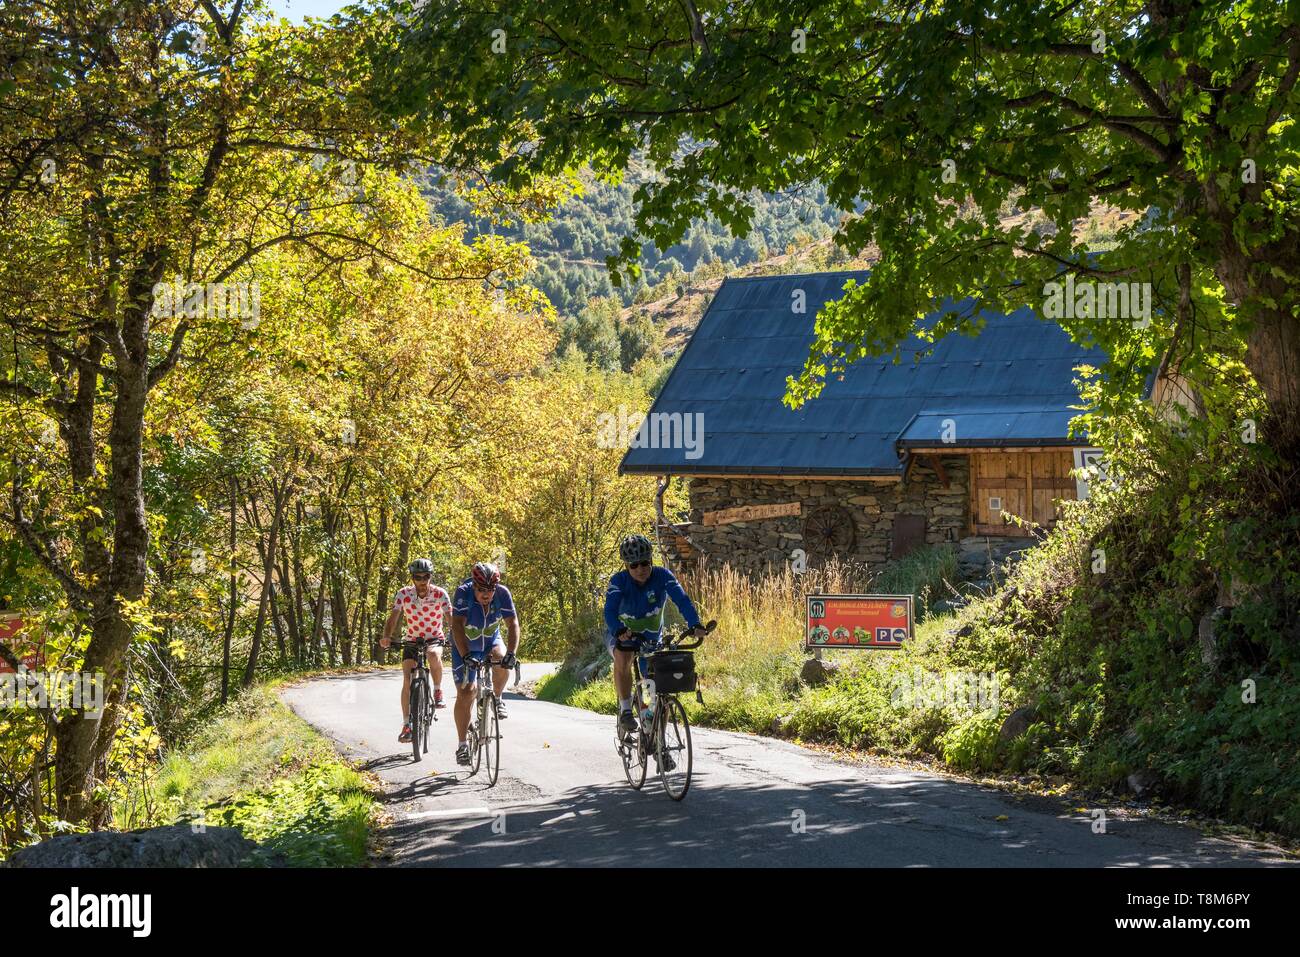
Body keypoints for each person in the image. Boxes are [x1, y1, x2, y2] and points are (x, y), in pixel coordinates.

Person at [604, 534, 705, 747]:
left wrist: (694, 623)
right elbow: (609, 611)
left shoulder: (662, 576)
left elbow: (682, 600)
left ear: (651, 560)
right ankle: (625, 710)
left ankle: (659, 743)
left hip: (651, 639)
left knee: (658, 689)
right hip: (622, 635)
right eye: (634, 565)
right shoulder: (618, 582)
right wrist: (618, 629)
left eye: (645, 563)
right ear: (626, 566)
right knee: (623, 656)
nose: (640, 569)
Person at [449, 561, 519, 766]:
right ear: (474, 586)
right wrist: (465, 656)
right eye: (481, 589)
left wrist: (512, 653)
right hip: (465, 646)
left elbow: (513, 624)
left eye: (490, 589)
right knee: (466, 693)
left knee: (503, 659)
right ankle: (462, 745)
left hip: (490, 641)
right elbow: (457, 626)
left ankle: (496, 699)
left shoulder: (502, 593)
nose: (486, 594)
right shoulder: (463, 592)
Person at [379, 558, 452, 744]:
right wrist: (387, 636)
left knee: (434, 654)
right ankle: (406, 725)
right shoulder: (403, 594)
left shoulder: (440, 594)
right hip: (412, 639)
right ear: (412, 578)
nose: (422, 581)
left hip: (435, 637)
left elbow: (451, 618)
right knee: (407, 678)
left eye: (426, 576)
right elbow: (393, 618)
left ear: (430, 577)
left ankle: (437, 691)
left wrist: (455, 638)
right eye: (418, 577)